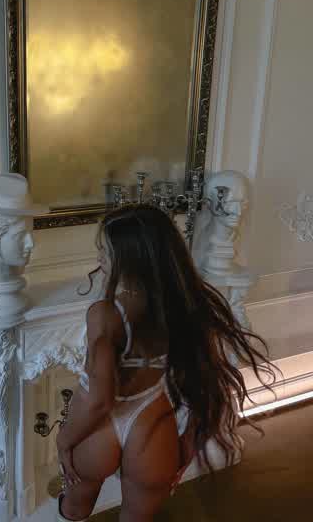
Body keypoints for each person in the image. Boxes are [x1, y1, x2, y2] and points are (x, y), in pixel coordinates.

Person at [55, 204, 275, 522]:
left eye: (105, 251)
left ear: (129, 258)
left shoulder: (105, 314)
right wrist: (186, 446)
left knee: (74, 509)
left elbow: (99, 401)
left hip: (97, 432)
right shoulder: (185, 306)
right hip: (151, 428)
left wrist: (64, 441)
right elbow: (206, 384)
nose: (99, 258)